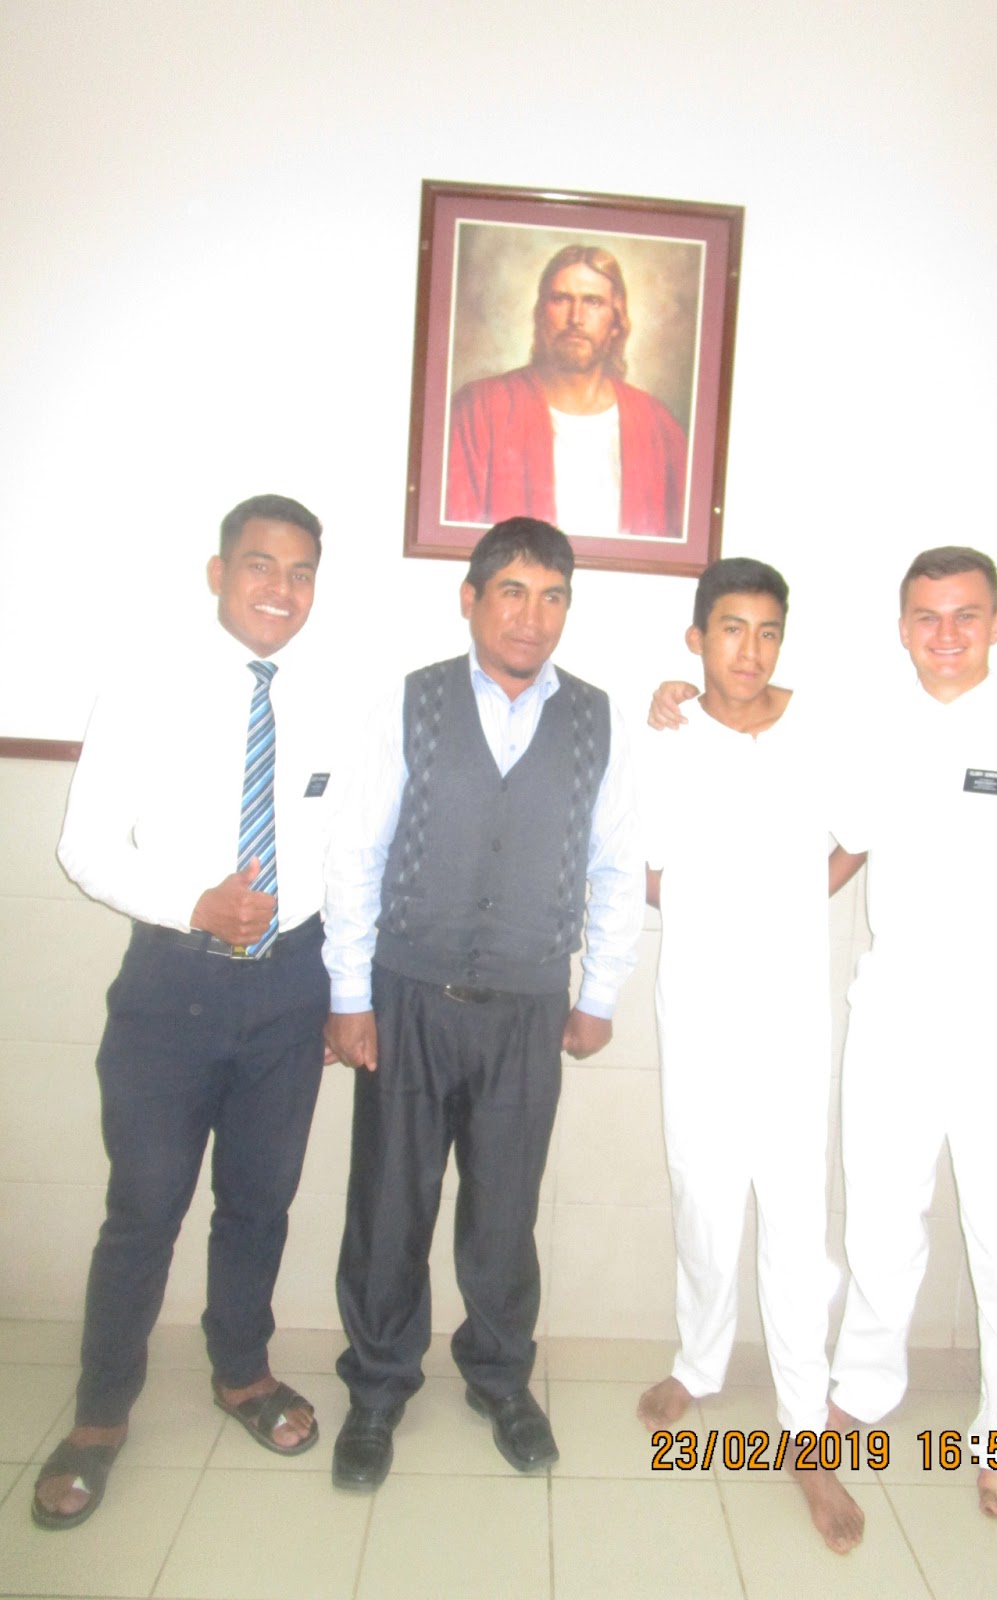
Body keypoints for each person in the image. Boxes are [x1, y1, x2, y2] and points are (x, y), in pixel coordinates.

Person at [651, 544, 997, 1526]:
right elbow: (760, 745)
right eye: (927, 616)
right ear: (902, 629)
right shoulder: (870, 728)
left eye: (966, 615)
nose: (946, 634)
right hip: (892, 1011)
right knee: (880, 1226)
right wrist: (671, 699)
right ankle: (865, 1390)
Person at [35, 494, 339, 1531]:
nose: (280, 589)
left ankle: (242, 1372)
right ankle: (99, 1414)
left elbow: (344, 850)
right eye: (260, 565)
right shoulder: (146, 684)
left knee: (259, 1202)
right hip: (172, 986)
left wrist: (339, 987)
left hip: (288, 989)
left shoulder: (328, 697)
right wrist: (194, 904)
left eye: (300, 572)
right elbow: (83, 847)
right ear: (219, 573)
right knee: (144, 1209)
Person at [323, 516, 642, 1491]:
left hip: (527, 1008)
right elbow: (356, 849)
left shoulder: (597, 719)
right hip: (409, 995)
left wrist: (598, 991)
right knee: (390, 1203)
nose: (531, 617)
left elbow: (616, 864)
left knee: (505, 1212)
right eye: (512, 591)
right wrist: (349, 993)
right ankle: (378, 1387)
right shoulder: (411, 701)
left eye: (552, 597)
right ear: (470, 599)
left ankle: (500, 1378)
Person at [637, 558, 863, 1554]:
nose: (750, 649)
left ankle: (807, 1432)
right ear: (698, 637)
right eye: (731, 628)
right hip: (698, 1011)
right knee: (703, 1194)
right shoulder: (669, 732)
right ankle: (699, 1361)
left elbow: (858, 836)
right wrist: (709, 908)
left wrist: (788, 901)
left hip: (789, 1020)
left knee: (796, 1217)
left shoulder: (819, 728)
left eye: (768, 630)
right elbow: (642, 864)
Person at [446, 244, 688, 540]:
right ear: (540, 314)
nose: (576, 318)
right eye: (561, 299)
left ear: (616, 321)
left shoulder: (657, 426)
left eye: (593, 302)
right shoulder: (480, 410)